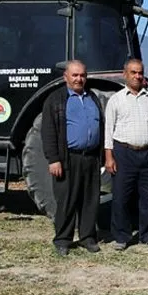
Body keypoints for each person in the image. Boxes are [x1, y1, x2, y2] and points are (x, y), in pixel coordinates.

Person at [41, 60, 104, 256]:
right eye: (75, 75)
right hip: (68, 159)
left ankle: (87, 237)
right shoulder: (56, 100)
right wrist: (53, 159)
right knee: (67, 200)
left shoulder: (92, 97)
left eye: (82, 75)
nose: (79, 79)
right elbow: (48, 131)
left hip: (91, 157)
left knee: (90, 200)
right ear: (65, 77)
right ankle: (62, 239)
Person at [104, 59, 148, 251]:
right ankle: (121, 236)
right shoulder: (116, 100)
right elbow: (108, 130)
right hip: (124, 152)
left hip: (147, 153)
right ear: (125, 74)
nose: (137, 76)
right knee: (121, 197)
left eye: (140, 72)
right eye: (133, 72)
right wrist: (109, 157)